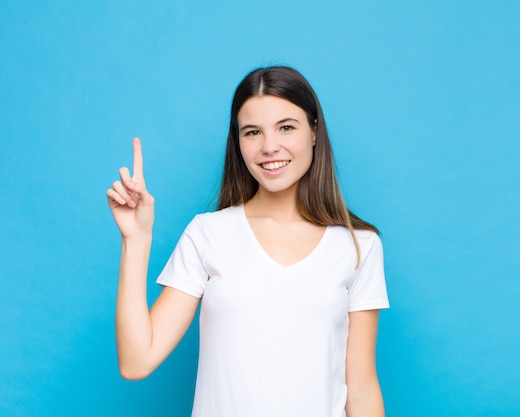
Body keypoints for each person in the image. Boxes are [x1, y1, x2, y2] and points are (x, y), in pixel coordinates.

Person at [106, 66, 389, 417]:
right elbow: (136, 362)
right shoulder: (208, 234)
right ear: (237, 141)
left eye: (286, 127)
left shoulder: (359, 246)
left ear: (314, 132)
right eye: (252, 132)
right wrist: (136, 238)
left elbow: (360, 391)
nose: (270, 147)